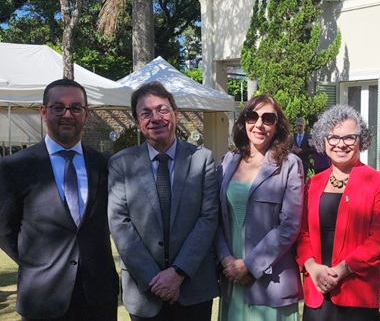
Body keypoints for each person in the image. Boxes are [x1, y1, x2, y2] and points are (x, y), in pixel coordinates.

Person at [0, 79, 119, 321]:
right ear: (44, 112)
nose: (67, 114)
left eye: (76, 108)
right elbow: (4, 229)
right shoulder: (14, 167)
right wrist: (38, 261)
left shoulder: (106, 165)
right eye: (58, 107)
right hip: (42, 296)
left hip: (98, 297)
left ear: (86, 114)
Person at [108, 81, 219, 320]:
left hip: (194, 288)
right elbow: (119, 224)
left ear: (176, 115)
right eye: (146, 113)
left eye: (162, 109)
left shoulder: (202, 159)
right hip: (144, 291)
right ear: (137, 122)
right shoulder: (121, 163)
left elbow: (208, 218)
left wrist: (178, 273)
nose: (155, 118)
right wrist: (155, 280)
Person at [296, 105, 380, 321]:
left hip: (357, 294)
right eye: (333, 137)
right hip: (317, 293)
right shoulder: (313, 184)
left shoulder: (378, 183)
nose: (341, 144)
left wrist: (342, 269)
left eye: (349, 138)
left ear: (361, 141)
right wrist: (311, 266)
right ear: (324, 141)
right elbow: (302, 233)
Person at [214, 94, 304, 320]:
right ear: (243, 121)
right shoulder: (228, 161)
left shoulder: (290, 165)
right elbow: (214, 217)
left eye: (268, 118)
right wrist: (226, 260)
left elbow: (290, 226)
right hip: (231, 277)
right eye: (252, 116)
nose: (259, 124)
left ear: (278, 126)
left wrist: (250, 265)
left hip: (270, 282)